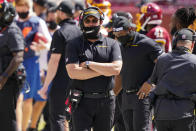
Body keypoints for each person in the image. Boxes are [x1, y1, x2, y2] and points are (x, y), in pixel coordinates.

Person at [65, 7, 122, 131]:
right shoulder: (73, 44)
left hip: (106, 101)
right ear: (82, 23)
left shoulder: (112, 43)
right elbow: (73, 72)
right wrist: (104, 71)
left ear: (100, 22)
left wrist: (89, 64)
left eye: (94, 20)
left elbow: (116, 69)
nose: (91, 23)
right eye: (88, 21)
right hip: (81, 102)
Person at [139, 28, 196, 131]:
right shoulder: (194, 61)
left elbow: (150, 83)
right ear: (192, 44)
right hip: (184, 114)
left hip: (162, 115)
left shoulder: (162, 59)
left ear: (175, 42)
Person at [112, 16, 163, 131]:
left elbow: (163, 65)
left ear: (130, 29)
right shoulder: (121, 47)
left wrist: (150, 82)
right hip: (126, 97)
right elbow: (121, 73)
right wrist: (112, 95)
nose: (119, 37)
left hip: (142, 97)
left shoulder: (147, 43)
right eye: (116, 35)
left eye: (121, 34)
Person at [38, 1, 81, 131]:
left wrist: (45, 87)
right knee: (76, 118)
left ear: (61, 13)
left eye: (57, 12)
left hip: (62, 82)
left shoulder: (60, 32)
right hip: (80, 81)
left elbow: (54, 61)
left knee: (58, 118)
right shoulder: (81, 31)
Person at [15, 0, 51, 131]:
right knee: (16, 98)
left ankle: (23, 128)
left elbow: (49, 44)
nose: (22, 8)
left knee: (27, 98)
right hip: (14, 61)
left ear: (29, 6)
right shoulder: (12, 20)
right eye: (19, 6)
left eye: (24, 5)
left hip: (31, 63)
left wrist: (42, 46)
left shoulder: (37, 22)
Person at [0, 1, 25, 131]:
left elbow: (18, 57)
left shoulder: (12, 30)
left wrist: (3, 78)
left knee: (7, 117)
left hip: (9, 81)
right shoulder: (2, 29)